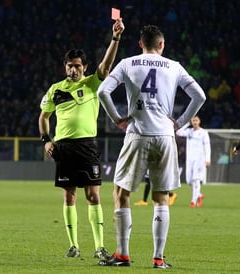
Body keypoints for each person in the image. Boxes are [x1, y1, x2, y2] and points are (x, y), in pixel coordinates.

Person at [97, 25, 206, 268]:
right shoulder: (174, 66)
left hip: (138, 132)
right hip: (165, 136)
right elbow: (199, 96)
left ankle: (123, 254)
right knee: (161, 198)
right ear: (161, 45)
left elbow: (103, 92)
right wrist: (179, 123)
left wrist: (117, 119)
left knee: (121, 193)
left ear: (140, 44)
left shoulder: (127, 63)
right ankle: (158, 258)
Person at [38, 18, 125, 259]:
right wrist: (46, 140)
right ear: (65, 67)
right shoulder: (55, 89)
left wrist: (115, 37)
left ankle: (99, 247)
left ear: (84, 67)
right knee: (69, 195)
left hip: (87, 146)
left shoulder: (92, 84)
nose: (73, 70)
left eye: (77, 66)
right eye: (69, 66)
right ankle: (73, 245)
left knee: (93, 195)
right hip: (63, 147)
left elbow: (106, 66)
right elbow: (43, 117)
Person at [176, 115, 211, 208]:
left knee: (196, 180)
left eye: (196, 120)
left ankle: (193, 201)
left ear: (199, 121)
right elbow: (178, 132)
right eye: (193, 120)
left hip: (199, 159)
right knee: (188, 181)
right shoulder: (189, 132)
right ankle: (199, 195)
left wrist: (208, 159)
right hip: (190, 159)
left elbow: (207, 147)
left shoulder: (203, 132)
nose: (195, 122)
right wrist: (187, 123)